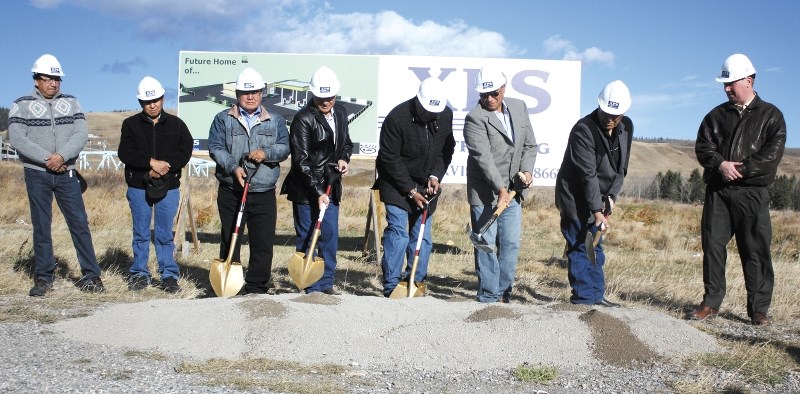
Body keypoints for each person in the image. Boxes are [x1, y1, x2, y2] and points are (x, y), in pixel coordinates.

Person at [687, 54, 786, 326]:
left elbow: (771, 155)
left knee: (756, 251)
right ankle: (711, 303)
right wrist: (720, 164)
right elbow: (703, 147)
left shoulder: (771, 116)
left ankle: (759, 309)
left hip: (753, 193)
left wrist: (740, 169)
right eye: (724, 84)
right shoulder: (716, 116)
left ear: (749, 80)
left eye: (731, 83)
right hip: (719, 191)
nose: (727, 88)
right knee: (713, 246)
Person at [8, 54, 105, 296]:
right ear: (36, 79)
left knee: (79, 223)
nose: (54, 83)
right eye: (49, 78)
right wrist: (47, 159)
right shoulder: (21, 104)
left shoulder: (72, 102)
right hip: (37, 173)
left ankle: (91, 276)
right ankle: (43, 278)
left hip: (67, 172)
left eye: (57, 79)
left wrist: (61, 156)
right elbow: (18, 138)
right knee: (42, 226)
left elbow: (81, 134)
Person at [208, 67, 290, 295]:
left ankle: (257, 287)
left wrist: (266, 153)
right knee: (230, 237)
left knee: (262, 242)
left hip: (263, 190)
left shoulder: (275, 120)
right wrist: (233, 168)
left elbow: (284, 147)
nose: (251, 96)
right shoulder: (223, 119)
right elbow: (216, 147)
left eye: (255, 91)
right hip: (231, 190)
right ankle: (230, 286)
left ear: (262, 93)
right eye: (246, 92)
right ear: (237, 94)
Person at [373, 77, 455, 297]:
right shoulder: (397, 118)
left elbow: (446, 149)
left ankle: (415, 282)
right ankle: (391, 286)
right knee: (399, 232)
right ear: (418, 102)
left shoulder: (445, 115)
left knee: (423, 236)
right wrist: (410, 190)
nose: (431, 114)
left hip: (425, 185)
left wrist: (435, 175)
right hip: (396, 184)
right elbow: (389, 158)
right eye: (427, 110)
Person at [555, 80, 633, 308]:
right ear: (599, 105)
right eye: (606, 112)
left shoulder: (626, 126)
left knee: (595, 247)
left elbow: (622, 168)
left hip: (601, 196)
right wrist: (597, 211)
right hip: (575, 196)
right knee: (580, 245)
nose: (610, 118)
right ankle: (583, 299)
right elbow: (587, 175)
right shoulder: (584, 129)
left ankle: (597, 297)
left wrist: (611, 197)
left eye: (616, 115)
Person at [464, 64, 537, 303]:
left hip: (513, 192)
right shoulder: (474, 119)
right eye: (484, 95)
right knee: (485, 244)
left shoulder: (519, 107)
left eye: (494, 93)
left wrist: (526, 170)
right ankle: (488, 294)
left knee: (510, 244)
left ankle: (504, 292)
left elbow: (529, 145)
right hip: (485, 192)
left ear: (503, 89)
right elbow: (483, 159)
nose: (489, 99)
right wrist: (500, 189)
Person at [118, 76, 194, 293]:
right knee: (141, 232)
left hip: (168, 186)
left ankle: (169, 275)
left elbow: (184, 150)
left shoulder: (177, 125)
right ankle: (139, 274)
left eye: (156, 100)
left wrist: (165, 166)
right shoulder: (130, 125)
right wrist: (150, 163)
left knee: (164, 233)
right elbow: (125, 152)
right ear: (141, 102)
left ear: (162, 98)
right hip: (138, 186)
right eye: (147, 101)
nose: (152, 104)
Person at [280, 66, 353, 294]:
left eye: (329, 97)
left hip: (331, 184)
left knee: (329, 234)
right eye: (321, 97)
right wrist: (318, 191)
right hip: (306, 188)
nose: (325, 102)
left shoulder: (340, 113)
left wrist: (343, 158)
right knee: (307, 234)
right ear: (313, 94)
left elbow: (347, 143)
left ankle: (326, 282)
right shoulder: (303, 119)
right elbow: (301, 161)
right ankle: (308, 284)